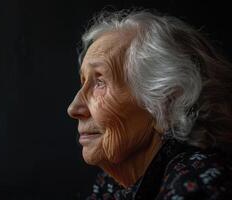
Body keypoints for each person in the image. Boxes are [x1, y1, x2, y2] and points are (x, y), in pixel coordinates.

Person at [67, 8, 232, 200]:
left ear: (166, 103)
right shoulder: (113, 184)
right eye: (83, 81)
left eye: (100, 82)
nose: (74, 108)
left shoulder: (198, 186)